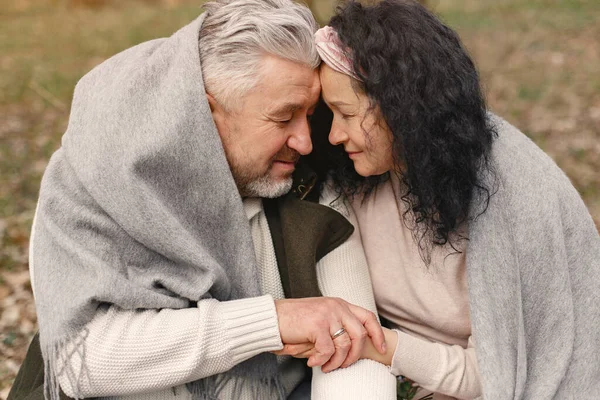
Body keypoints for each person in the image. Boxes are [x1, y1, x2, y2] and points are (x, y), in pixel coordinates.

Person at [9, 1, 399, 399]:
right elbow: (80, 360)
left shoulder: (311, 184)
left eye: (310, 114)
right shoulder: (91, 187)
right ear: (205, 115)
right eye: (284, 118)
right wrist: (271, 321)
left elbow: (357, 350)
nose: (305, 140)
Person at [287, 0, 600, 399]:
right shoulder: (355, 170)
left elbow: (495, 374)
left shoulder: (508, 199)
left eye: (346, 114)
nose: (333, 134)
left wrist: (381, 347)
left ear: (400, 111)